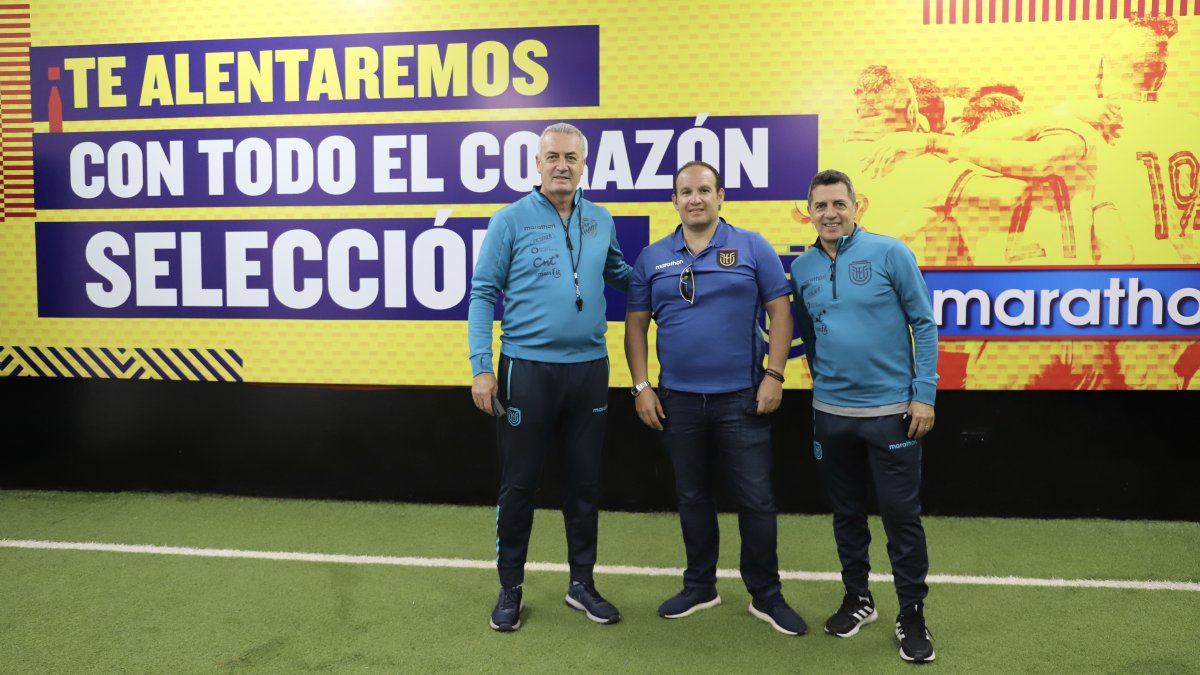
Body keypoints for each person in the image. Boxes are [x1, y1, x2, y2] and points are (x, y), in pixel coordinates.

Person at [624, 161, 806, 636]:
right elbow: (636, 326)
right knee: (692, 497)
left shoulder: (752, 246)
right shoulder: (652, 257)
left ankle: (766, 595)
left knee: (757, 501)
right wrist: (641, 385)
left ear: (721, 195)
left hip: (743, 399)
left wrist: (774, 375)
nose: (695, 198)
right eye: (686, 191)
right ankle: (700, 585)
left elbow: (781, 315)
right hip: (678, 401)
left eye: (705, 190)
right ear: (674, 200)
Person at [468, 122, 632, 632]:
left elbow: (623, 275)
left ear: (584, 165)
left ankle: (581, 584)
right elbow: (481, 295)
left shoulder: (600, 218)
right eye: (552, 156)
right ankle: (510, 588)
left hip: (588, 370)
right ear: (537, 164)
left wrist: (677, 275)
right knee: (519, 486)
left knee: (584, 484)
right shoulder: (510, 220)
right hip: (526, 370)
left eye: (572, 157)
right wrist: (481, 369)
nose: (562, 165)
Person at [790, 169, 939, 663]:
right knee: (847, 512)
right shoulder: (802, 268)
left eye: (839, 204)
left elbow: (923, 322)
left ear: (857, 207)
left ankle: (912, 613)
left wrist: (924, 394)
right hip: (831, 414)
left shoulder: (890, 253)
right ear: (808, 212)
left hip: (893, 412)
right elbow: (809, 335)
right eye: (820, 206)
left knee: (901, 516)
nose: (830, 214)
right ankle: (859, 598)